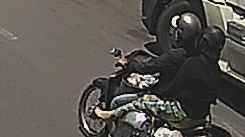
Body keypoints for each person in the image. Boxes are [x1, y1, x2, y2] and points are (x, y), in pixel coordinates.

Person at [96, 26, 225, 127]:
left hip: (182, 111)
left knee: (141, 101)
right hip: (201, 114)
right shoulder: (216, 69)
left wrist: (156, 93)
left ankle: (110, 115)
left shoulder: (193, 63)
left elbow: (173, 88)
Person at [108, 12, 203, 107]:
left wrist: (130, 64)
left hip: (166, 98)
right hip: (186, 100)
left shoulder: (175, 56)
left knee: (117, 102)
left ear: (178, 34)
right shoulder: (197, 54)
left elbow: (149, 66)